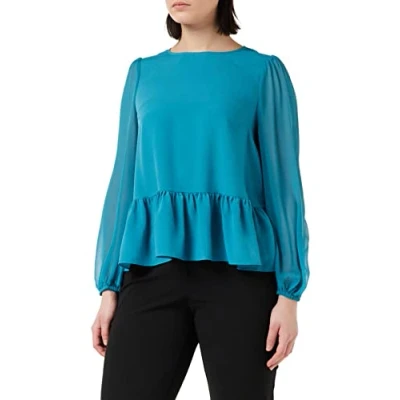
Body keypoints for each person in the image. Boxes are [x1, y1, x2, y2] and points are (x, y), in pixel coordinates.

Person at [91, 0, 310, 399]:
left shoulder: (262, 71)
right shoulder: (142, 73)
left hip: (241, 274)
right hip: (150, 270)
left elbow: (284, 185)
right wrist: (109, 287)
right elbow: (124, 181)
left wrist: (289, 294)